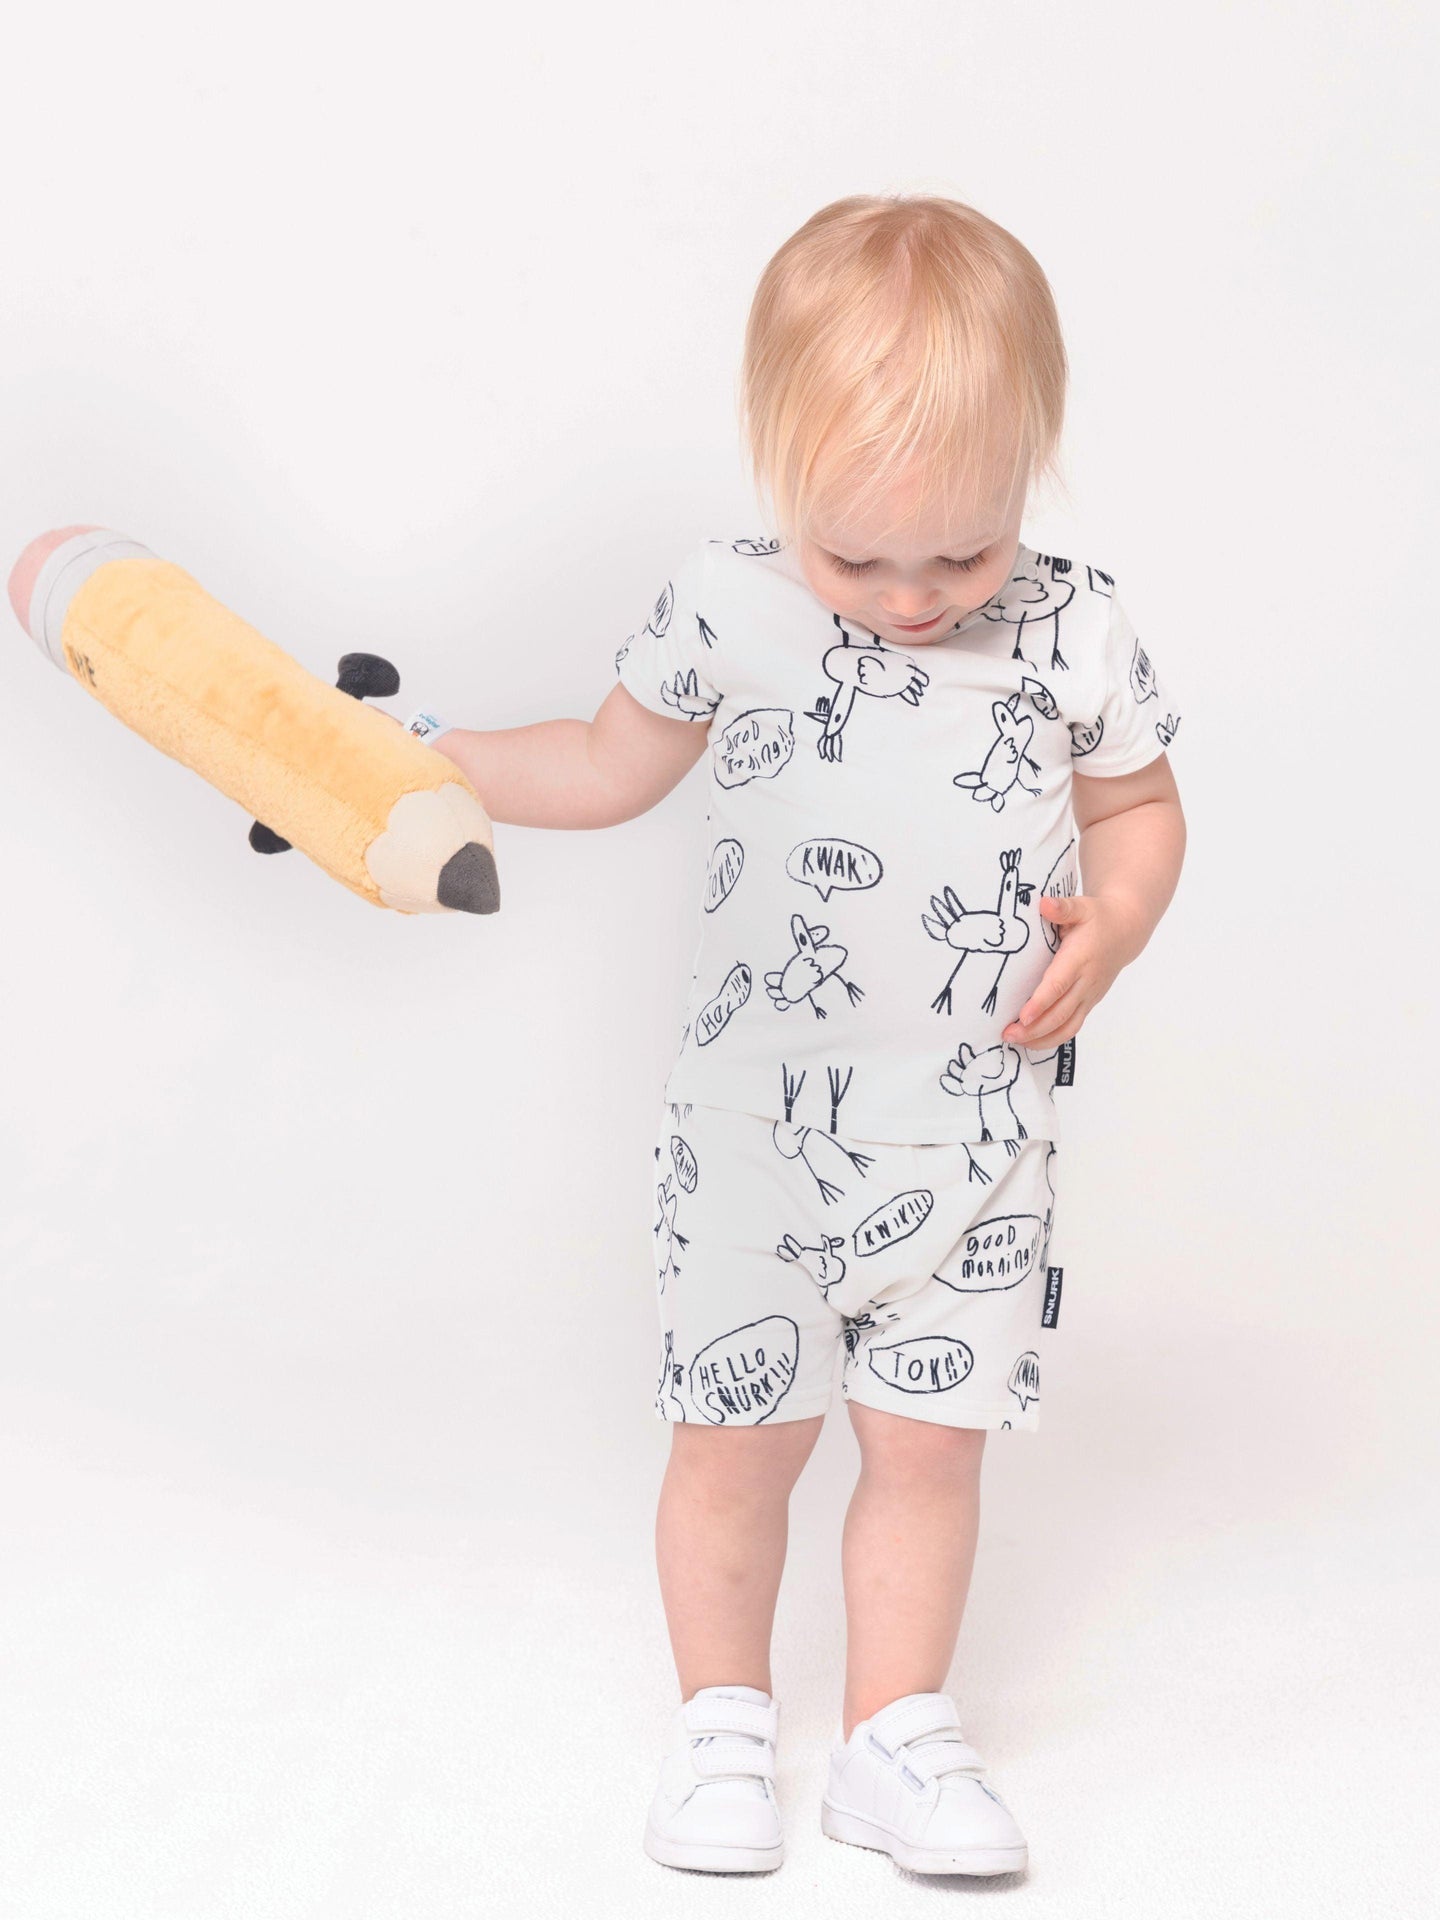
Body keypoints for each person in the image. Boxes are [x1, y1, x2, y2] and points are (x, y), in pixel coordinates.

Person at [417, 194, 1187, 1879]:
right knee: (738, 1442)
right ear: (778, 475)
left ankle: (895, 1735)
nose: (913, 599)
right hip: (754, 1136)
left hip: (976, 1139)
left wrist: (1118, 921)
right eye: (859, 561)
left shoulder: (1076, 624)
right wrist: (438, 759)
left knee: (927, 1451)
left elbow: (1138, 810)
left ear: (1030, 471)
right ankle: (722, 1726)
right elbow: (602, 767)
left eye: (963, 558)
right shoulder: (727, 604)